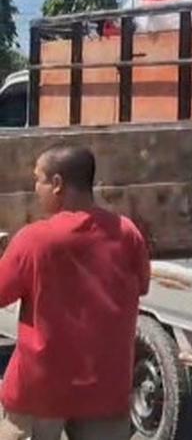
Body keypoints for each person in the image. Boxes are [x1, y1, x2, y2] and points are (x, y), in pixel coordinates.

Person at [0, 145, 150, 440]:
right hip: (105, 389)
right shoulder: (127, 232)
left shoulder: (34, 239)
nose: (35, 189)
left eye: (38, 180)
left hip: (40, 391)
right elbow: (142, 286)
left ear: (57, 184)